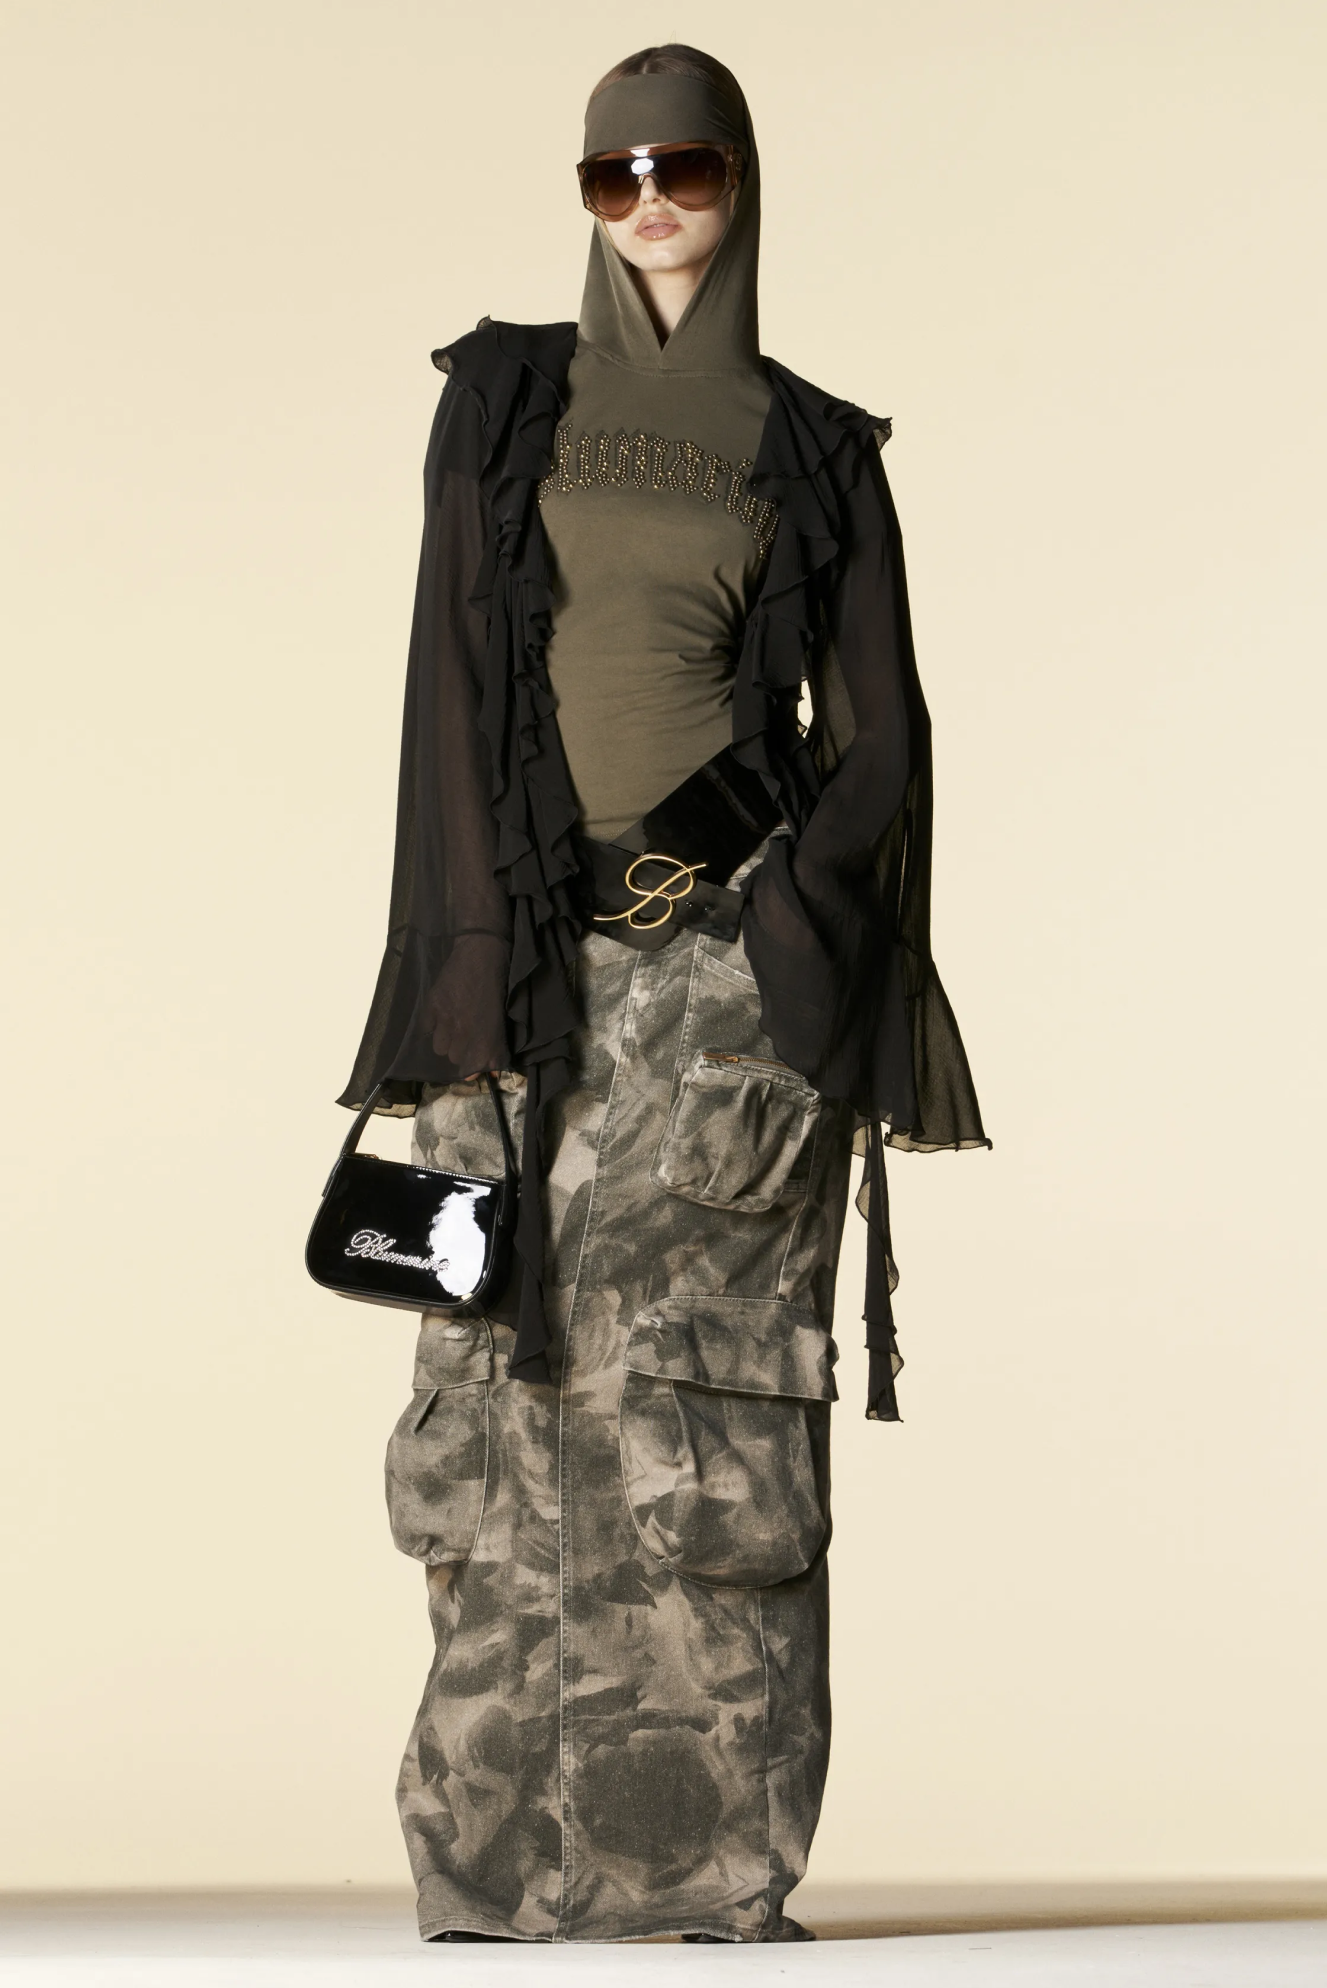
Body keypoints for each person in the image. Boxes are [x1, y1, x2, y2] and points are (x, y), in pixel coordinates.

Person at [337, 43, 987, 1946]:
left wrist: (785, 930)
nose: (645, 205)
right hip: (515, 979)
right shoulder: (502, 402)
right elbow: (447, 700)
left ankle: (693, 1869)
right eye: (607, 175)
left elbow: (881, 739)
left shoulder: (813, 447)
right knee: (495, 1382)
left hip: (719, 986)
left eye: (678, 168)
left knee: (703, 1405)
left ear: (739, 180)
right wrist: (455, 976)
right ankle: (501, 1867)